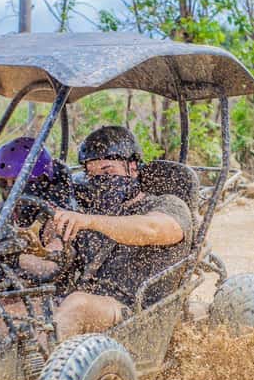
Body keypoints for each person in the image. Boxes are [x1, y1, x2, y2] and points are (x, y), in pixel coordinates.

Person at [50, 126, 193, 341]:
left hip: (135, 315)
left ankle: (46, 373)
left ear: (133, 168)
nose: (101, 181)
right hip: (82, 300)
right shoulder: (89, 210)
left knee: (77, 305)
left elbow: (151, 229)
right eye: (92, 174)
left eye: (108, 172)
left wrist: (90, 221)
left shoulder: (168, 204)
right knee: (22, 304)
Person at [0, 137, 72, 233]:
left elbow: (55, 244)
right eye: (3, 183)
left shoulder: (53, 217)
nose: (9, 190)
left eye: (17, 183)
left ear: (39, 181)